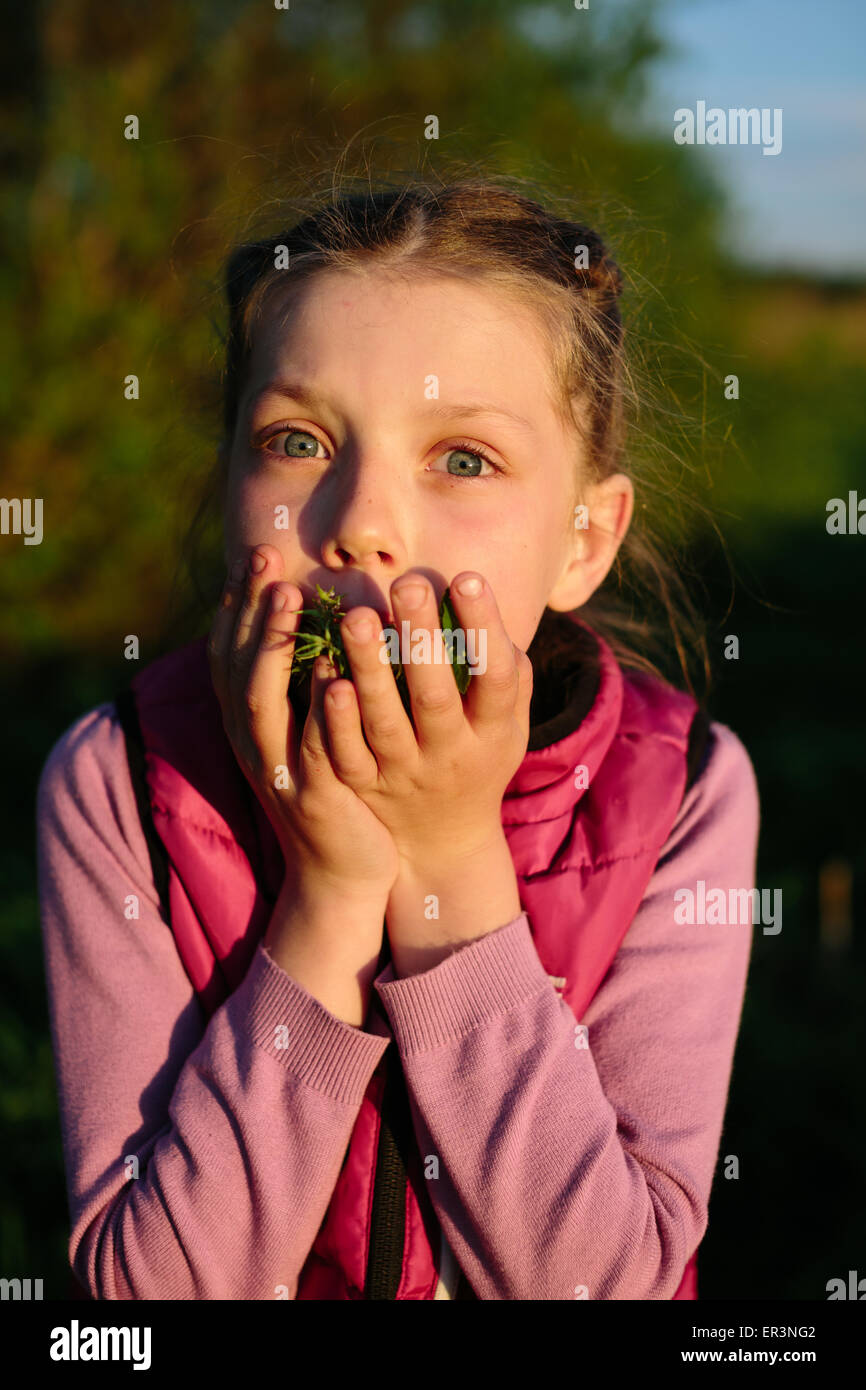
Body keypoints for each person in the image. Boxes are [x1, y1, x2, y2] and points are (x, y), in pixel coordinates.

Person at [36, 179, 759, 1300]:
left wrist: (452, 869)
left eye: (461, 458)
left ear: (585, 538)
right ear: (229, 480)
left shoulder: (678, 793)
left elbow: (603, 1285)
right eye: (296, 439)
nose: (362, 524)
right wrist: (326, 900)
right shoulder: (121, 777)